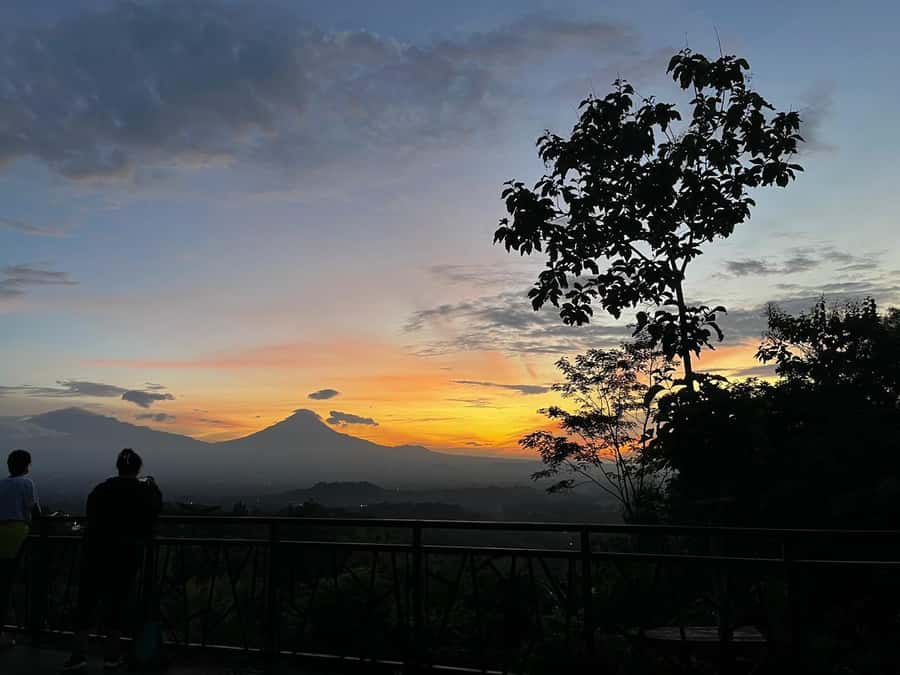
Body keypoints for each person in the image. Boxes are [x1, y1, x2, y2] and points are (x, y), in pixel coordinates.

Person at [63, 449, 162, 672]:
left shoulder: (101, 490)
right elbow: (155, 510)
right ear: (138, 469)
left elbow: (90, 516)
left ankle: (77, 655)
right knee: (118, 604)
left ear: (118, 467)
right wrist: (152, 486)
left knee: (86, 603)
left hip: (94, 552)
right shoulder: (143, 492)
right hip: (125, 556)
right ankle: (111, 656)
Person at [0, 449, 39, 649]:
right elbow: (33, 509)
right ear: (26, 465)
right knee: (7, 584)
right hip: (17, 533)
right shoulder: (27, 483)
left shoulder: (2, 483)